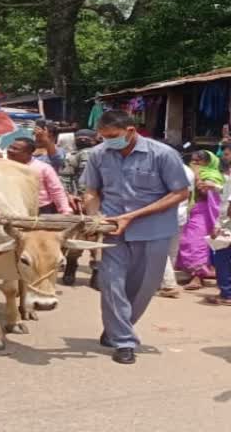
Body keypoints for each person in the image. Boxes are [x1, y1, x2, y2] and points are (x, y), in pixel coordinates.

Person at [82, 110, 190, 365]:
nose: (108, 140)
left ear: (131, 131)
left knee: (144, 288)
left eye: (113, 136)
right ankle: (124, 341)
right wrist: (95, 216)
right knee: (111, 284)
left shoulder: (163, 154)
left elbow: (180, 193)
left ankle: (118, 327)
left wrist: (132, 216)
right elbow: (91, 190)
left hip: (154, 230)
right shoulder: (98, 155)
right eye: (104, 136)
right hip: (112, 231)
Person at [175, 150, 224, 290]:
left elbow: (204, 191)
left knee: (196, 244)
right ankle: (194, 272)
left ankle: (198, 277)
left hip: (204, 213)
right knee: (185, 242)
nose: (194, 163)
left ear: (208, 162)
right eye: (193, 160)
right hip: (191, 211)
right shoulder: (188, 173)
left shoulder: (212, 175)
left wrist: (196, 176)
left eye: (198, 161)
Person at [59, 129, 99, 286]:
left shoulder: (105, 155)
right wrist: (69, 196)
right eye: (79, 137)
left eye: (86, 137)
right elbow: (65, 178)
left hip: (102, 203)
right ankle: (71, 266)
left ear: (95, 139)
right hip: (79, 202)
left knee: (98, 237)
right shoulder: (72, 156)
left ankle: (97, 271)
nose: (83, 139)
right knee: (77, 237)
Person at [157, 148, 194, 299]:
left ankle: (169, 284)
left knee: (159, 250)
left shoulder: (165, 169)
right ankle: (164, 281)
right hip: (181, 213)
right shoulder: (189, 171)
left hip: (164, 213)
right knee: (172, 250)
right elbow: (189, 194)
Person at [6, 137, 72, 214]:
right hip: (13, 209)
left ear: (28, 152)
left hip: (41, 210)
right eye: (10, 147)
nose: (10, 150)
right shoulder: (3, 166)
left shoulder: (43, 168)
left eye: (15, 149)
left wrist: (65, 210)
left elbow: (56, 190)